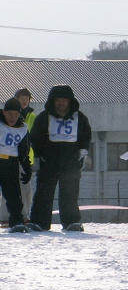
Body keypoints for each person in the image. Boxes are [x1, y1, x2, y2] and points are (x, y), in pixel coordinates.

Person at [28, 85, 92, 232]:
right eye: (58, 100)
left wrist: (83, 153)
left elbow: (86, 136)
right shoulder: (44, 117)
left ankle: (71, 222)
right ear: (52, 101)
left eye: (64, 99)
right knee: (43, 192)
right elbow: (35, 137)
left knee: (70, 192)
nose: (61, 103)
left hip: (70, 161)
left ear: (70, 101)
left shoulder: (80, 118)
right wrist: (37, 156)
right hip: (48, 161)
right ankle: (39, 222)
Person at [0, 98, 32, 233]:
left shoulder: (23, 129)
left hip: (11, 163)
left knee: (13, 195)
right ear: (4, 112)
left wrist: (27, 167)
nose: (12, 117)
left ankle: (17, 221)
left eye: (16, 114)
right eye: (9, 114)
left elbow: (23, 150)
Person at [16, 88, 36, 221]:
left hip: (27, 158)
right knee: (9, 188)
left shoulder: (33, 117)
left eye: (26, 98)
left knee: (26, 189)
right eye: (21, 98)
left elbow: (35, 138)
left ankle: (24, 215)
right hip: (10, 156)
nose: (24, 101)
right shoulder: (10, 115)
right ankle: (7, 216)